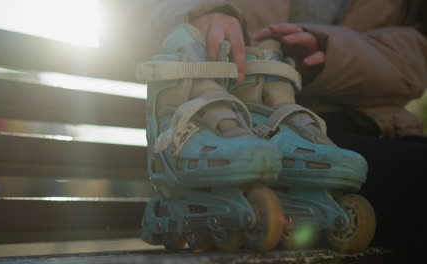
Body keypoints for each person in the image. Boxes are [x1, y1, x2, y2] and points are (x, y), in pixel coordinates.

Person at [119, 0, 427, 253]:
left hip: (378, 126)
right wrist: (198, 12)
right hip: (248, 121)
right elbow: (132, 14)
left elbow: (417, 55)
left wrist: (330, 53)